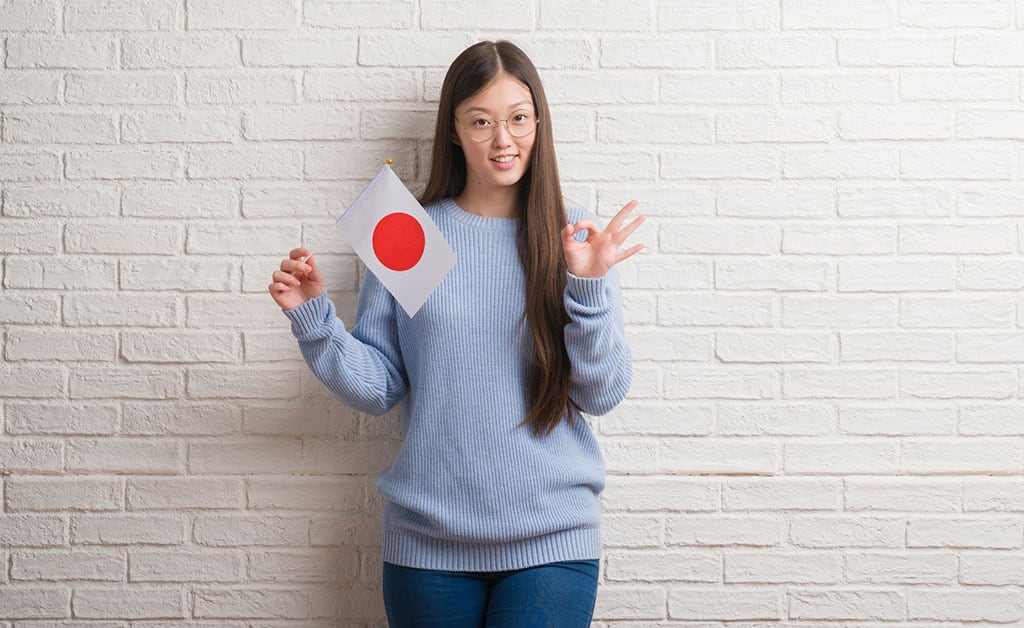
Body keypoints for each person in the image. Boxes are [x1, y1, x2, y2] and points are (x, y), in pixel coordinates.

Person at [268, 40, 644, 628]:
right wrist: (316, 320)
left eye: (519, 119)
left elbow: (601, 394)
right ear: (453, 130)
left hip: (553, 539)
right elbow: (379, 387)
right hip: (429, 543)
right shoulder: (407, 235)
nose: (503, 140)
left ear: (538, 124)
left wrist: (589, 287)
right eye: (482, 121)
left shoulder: (573, 235)